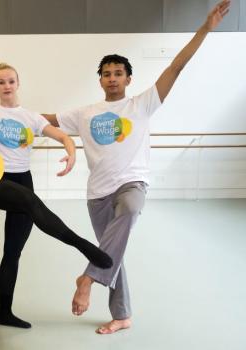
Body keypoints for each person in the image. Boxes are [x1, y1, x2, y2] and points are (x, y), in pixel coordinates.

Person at [42, 0, 231, 334]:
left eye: (118, 73)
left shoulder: (141, 103)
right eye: (106, 74)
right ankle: (122, 315)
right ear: (99, 79)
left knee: (129, 211)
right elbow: (47, 121)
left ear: (129, 78)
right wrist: (7, 118)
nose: (112, 78)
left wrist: (205, 28)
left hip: (132, 184)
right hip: (97, 193)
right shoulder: (85, 112)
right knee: (112, 254)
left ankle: (86, 279)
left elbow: (176, 67)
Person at [0, 13, 113, 329]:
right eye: (1, 82)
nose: (7, 85)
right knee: (32, 204)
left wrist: (70, 153)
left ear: (18, 84)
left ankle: (5, 313)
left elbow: (63, 135)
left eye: (11, 81)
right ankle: (83, 245)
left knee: (12, 252)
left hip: (23, 179)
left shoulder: (30, 117)